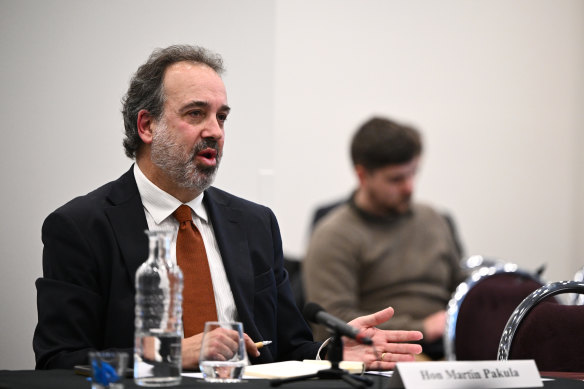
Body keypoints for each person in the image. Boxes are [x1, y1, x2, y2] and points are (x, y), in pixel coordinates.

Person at [33, 45, 423, 371]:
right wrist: (170, 356)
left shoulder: (255, 223)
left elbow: (288, 350)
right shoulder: (81, 227)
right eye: (195, 113)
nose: (215, 131)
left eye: (221, 117)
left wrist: (330, 354)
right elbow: (59, 363)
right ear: (146, 126)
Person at [303, 117, 466, 360]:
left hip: (452, 343)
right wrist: (422, 328)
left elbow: (461, 285)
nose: (409, 187)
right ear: (362, 176)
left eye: (413, 174)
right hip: (390, 350)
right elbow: (332, 321)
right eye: (396, 179)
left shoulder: (432, 219)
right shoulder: (334, 235)